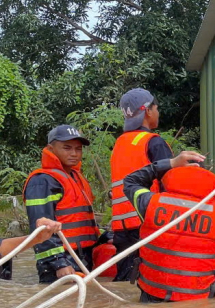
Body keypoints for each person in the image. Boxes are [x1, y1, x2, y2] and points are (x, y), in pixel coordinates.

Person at [123, 152, 215, 303]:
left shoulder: (150, 204)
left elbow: (131, 181)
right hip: (196, 301)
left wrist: (170, 163)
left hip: (151, 294)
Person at [110, 88, 176, 283]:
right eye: (156, 108)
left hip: (122, 231)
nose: (158, 112)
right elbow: (171, 186)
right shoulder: (153, 142)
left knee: (125, 284)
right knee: (155, 286)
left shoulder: (119, 144)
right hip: (149, 226)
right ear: (148, 110)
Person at [23, 125, 100, 283]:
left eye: (78, 149)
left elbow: (79, 221)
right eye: (67, 148)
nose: (74, 153)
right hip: (60, 262)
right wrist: (59, 263)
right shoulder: (42, 181)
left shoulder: (76, 177)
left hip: (82, 257)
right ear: (51, 148)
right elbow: (41, 227)